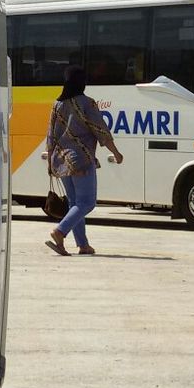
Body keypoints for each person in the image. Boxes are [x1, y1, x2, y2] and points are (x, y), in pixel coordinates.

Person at [45, 65, 123, 255]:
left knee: (75, 204)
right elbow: (101, 130)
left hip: (61, 160)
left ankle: (83, 245)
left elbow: (50, 136)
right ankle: (60, 231)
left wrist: (50, 163)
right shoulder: (87, 103)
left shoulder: (58, 104)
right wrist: (116, 152)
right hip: (81, 160)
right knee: (87, 203)